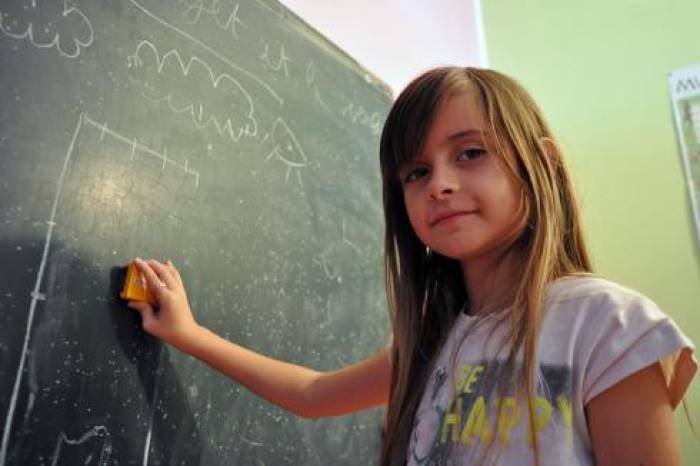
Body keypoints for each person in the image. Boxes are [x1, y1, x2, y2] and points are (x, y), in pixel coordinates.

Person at [127, 67, 697, 466]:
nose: (440, 184)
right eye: (416, 172)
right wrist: (190, 334)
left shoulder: (607, 325)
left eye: (471, 153)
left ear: (541, 166)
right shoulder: (434, 340)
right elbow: (313, 393)